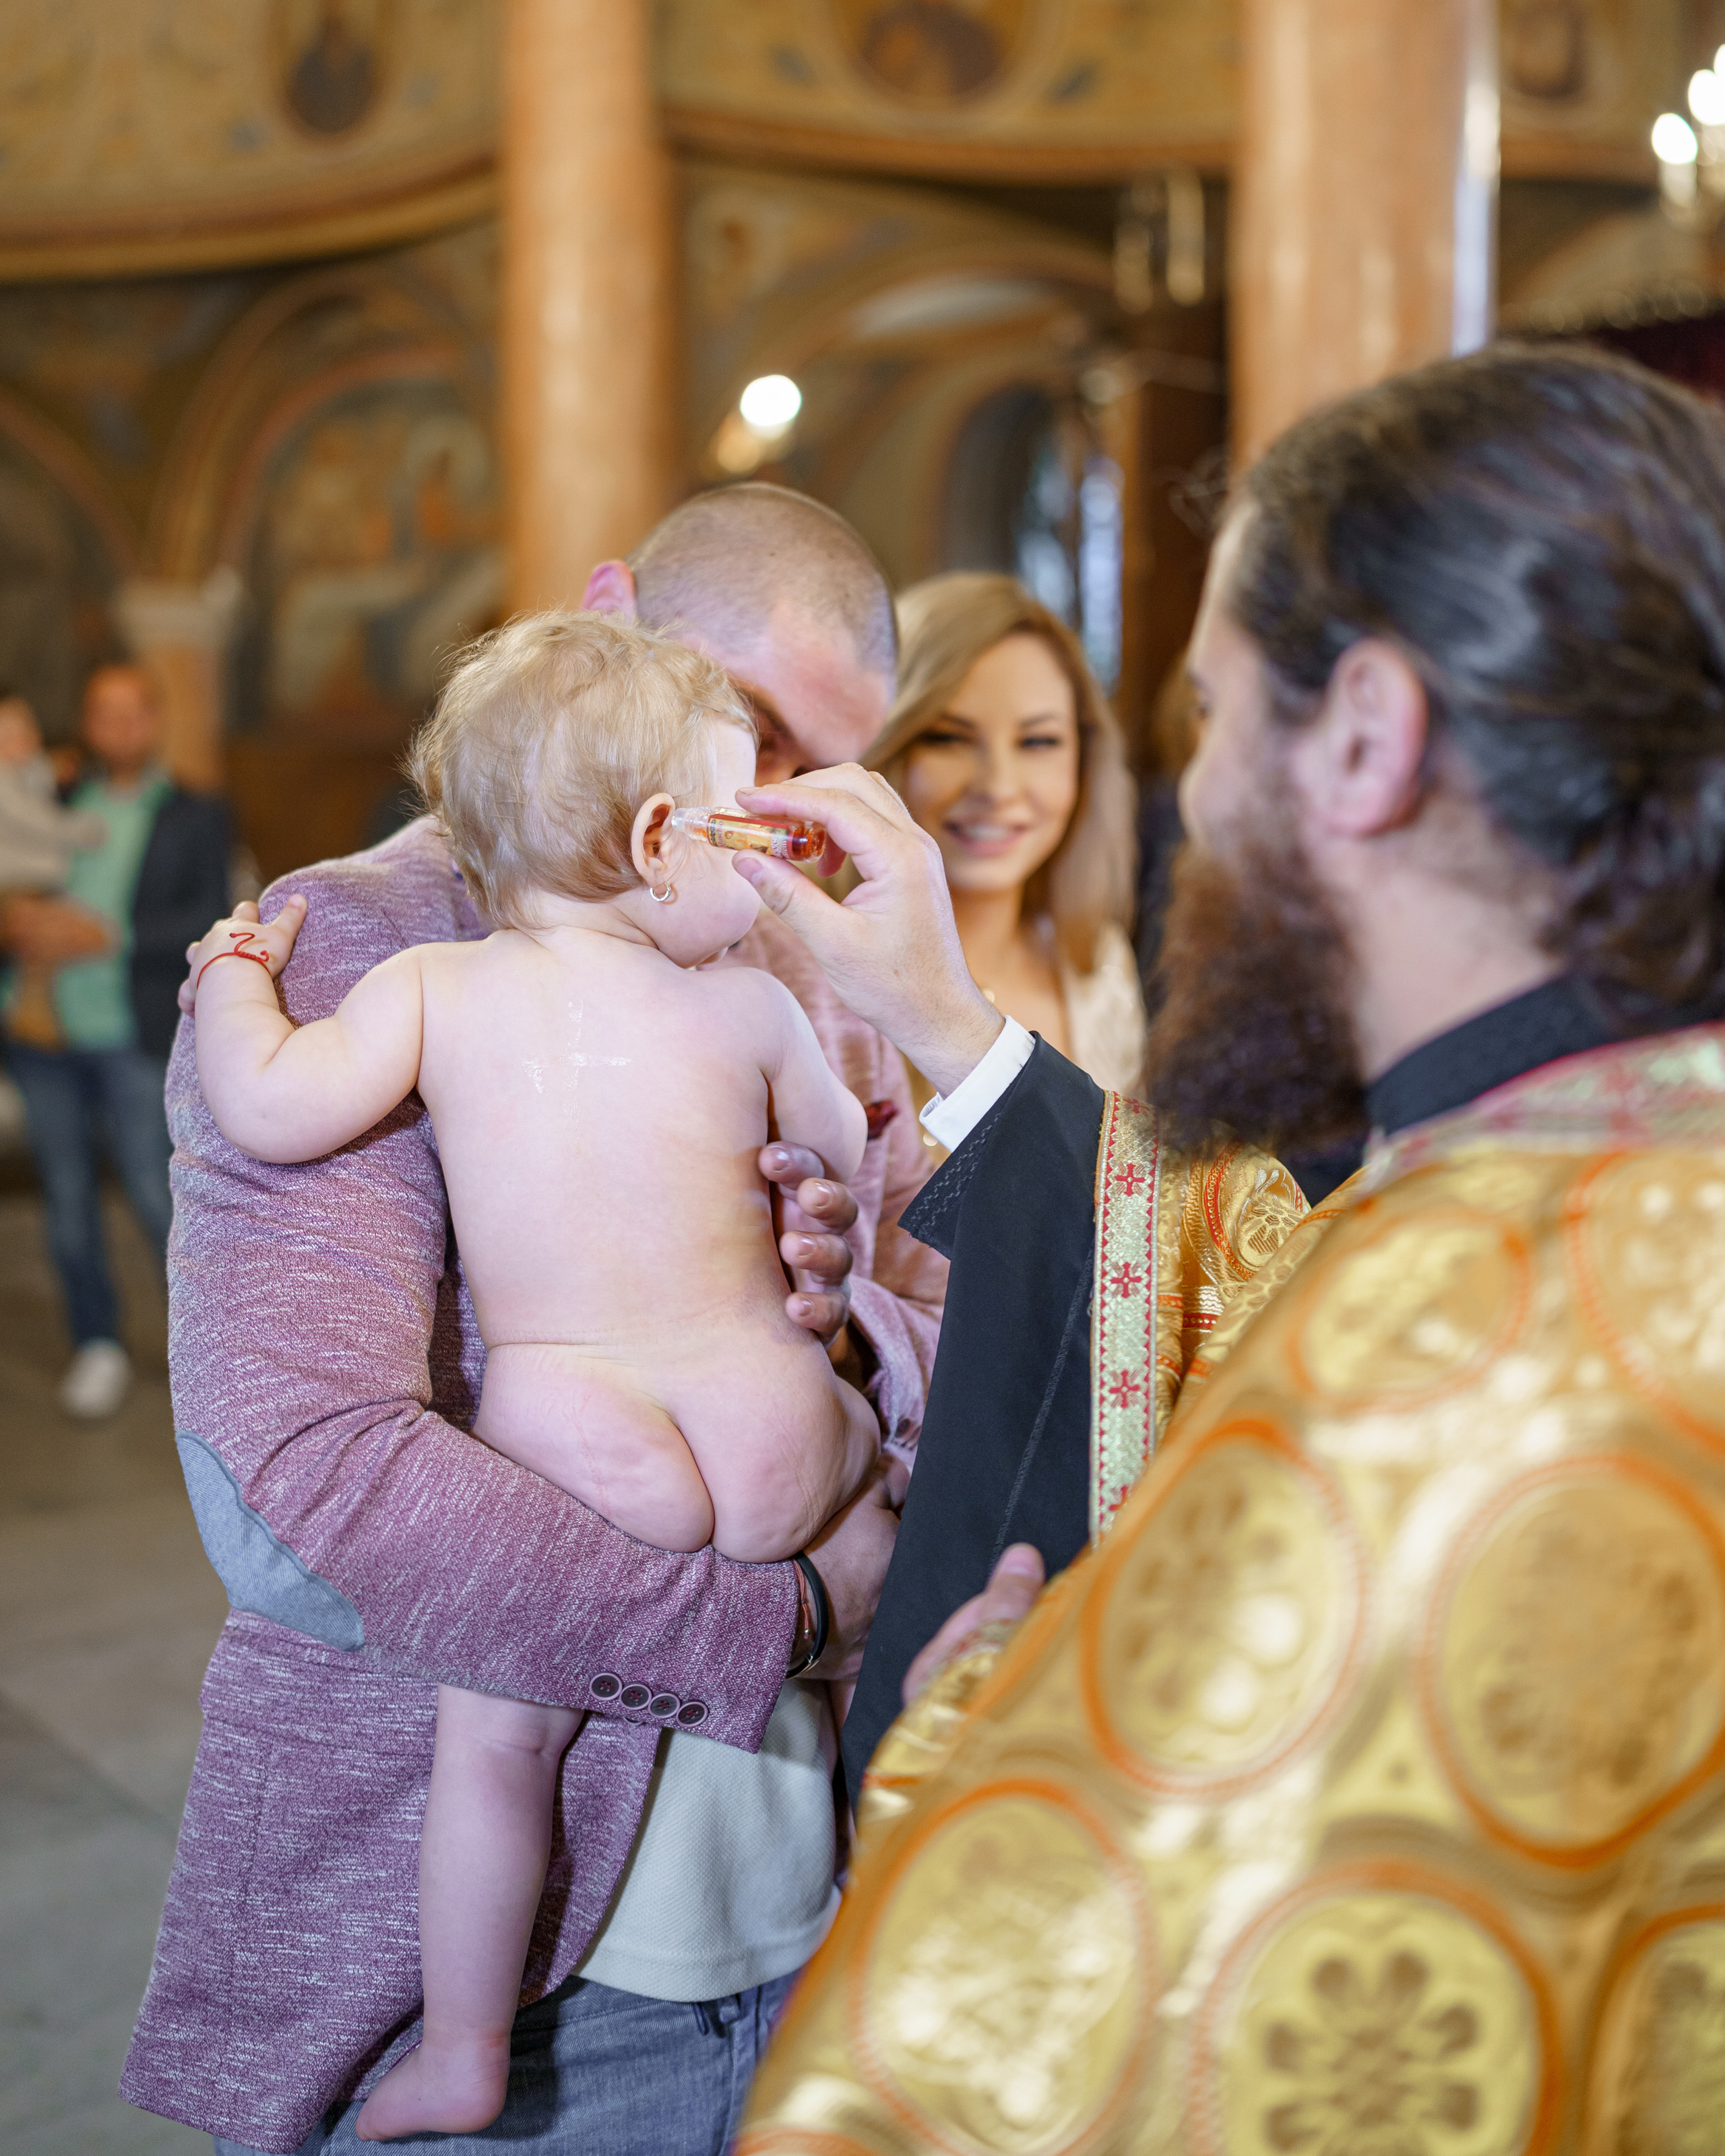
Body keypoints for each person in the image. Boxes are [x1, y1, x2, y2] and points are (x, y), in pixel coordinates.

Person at [728, 344, 1725, 2147]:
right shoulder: (1609, 1177)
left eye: (1211, 719)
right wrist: (951, 1027)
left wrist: (971, 1736)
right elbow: (1256, 1251)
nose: (1192, 805)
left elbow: (1010, 2066)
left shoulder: (1437, 1372)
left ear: (1363, 734)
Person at [121, 484, 945, 2156]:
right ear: (604, 613)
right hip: (526, 1977)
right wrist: (782, 1616)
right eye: (752, 733)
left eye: (814, 776)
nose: (765, 824)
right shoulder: (353, 948)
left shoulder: (784, 961)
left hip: (811, 1899)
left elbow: (931, 1297)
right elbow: (308, 1481)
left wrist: (840, 1314)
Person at [1, 664, 228, 1419]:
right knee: (67, 1199)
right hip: (44, 1034)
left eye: (133, 712)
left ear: (154, 721)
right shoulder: (56, 797)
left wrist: (110, 936)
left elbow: (211, 912)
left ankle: (207, 1353)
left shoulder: (194, 812)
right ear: (87, 721)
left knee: (157, 1193)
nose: (119, 727)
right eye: (104, 712)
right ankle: (96, 1341)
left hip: (135, 1031)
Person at [864, 573, 1145, 1158]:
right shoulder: (801, 975)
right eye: (948, 738)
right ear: (882, 747)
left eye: (1037, 742)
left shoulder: (1098, 968)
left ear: (1084, 760)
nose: (997, 788)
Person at [0, 686, 108, 1046]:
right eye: (8, 733)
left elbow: (41, 779)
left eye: (26, 730)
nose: (22, 741)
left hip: (38, 880)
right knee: (38, 943)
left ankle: (36, 1012)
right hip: (18, 883)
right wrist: (80, 830)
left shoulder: (26, 773)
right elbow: (36, 821)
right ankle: (29, 1014)